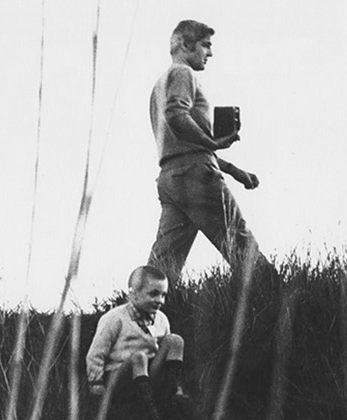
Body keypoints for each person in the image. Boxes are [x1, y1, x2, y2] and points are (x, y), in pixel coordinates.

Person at [147, 19, 266, 285]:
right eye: (205, 45)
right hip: (195, 175)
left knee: (163, 266)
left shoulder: (160, 84)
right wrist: (212, 143)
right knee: (240, 244)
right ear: (186, 44)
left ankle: (141, 319)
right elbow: (177, 115)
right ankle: (279, 306)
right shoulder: (183, 74)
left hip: (171, 178)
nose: (210, 53)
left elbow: (183, 145)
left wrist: (234, 171)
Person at [86, 266, 189, 420]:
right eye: (154, 294)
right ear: (133, 293)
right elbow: (96, 354)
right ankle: (148, 412)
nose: (160, 300)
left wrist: (176, 385)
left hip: (147, 378)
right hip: (120, 380)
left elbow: (164, 353)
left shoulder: (161, 319)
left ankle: (169, 398)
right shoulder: (115, 319)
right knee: (139, 357)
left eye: (163, 295)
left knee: (175, 340)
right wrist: (96, 384)